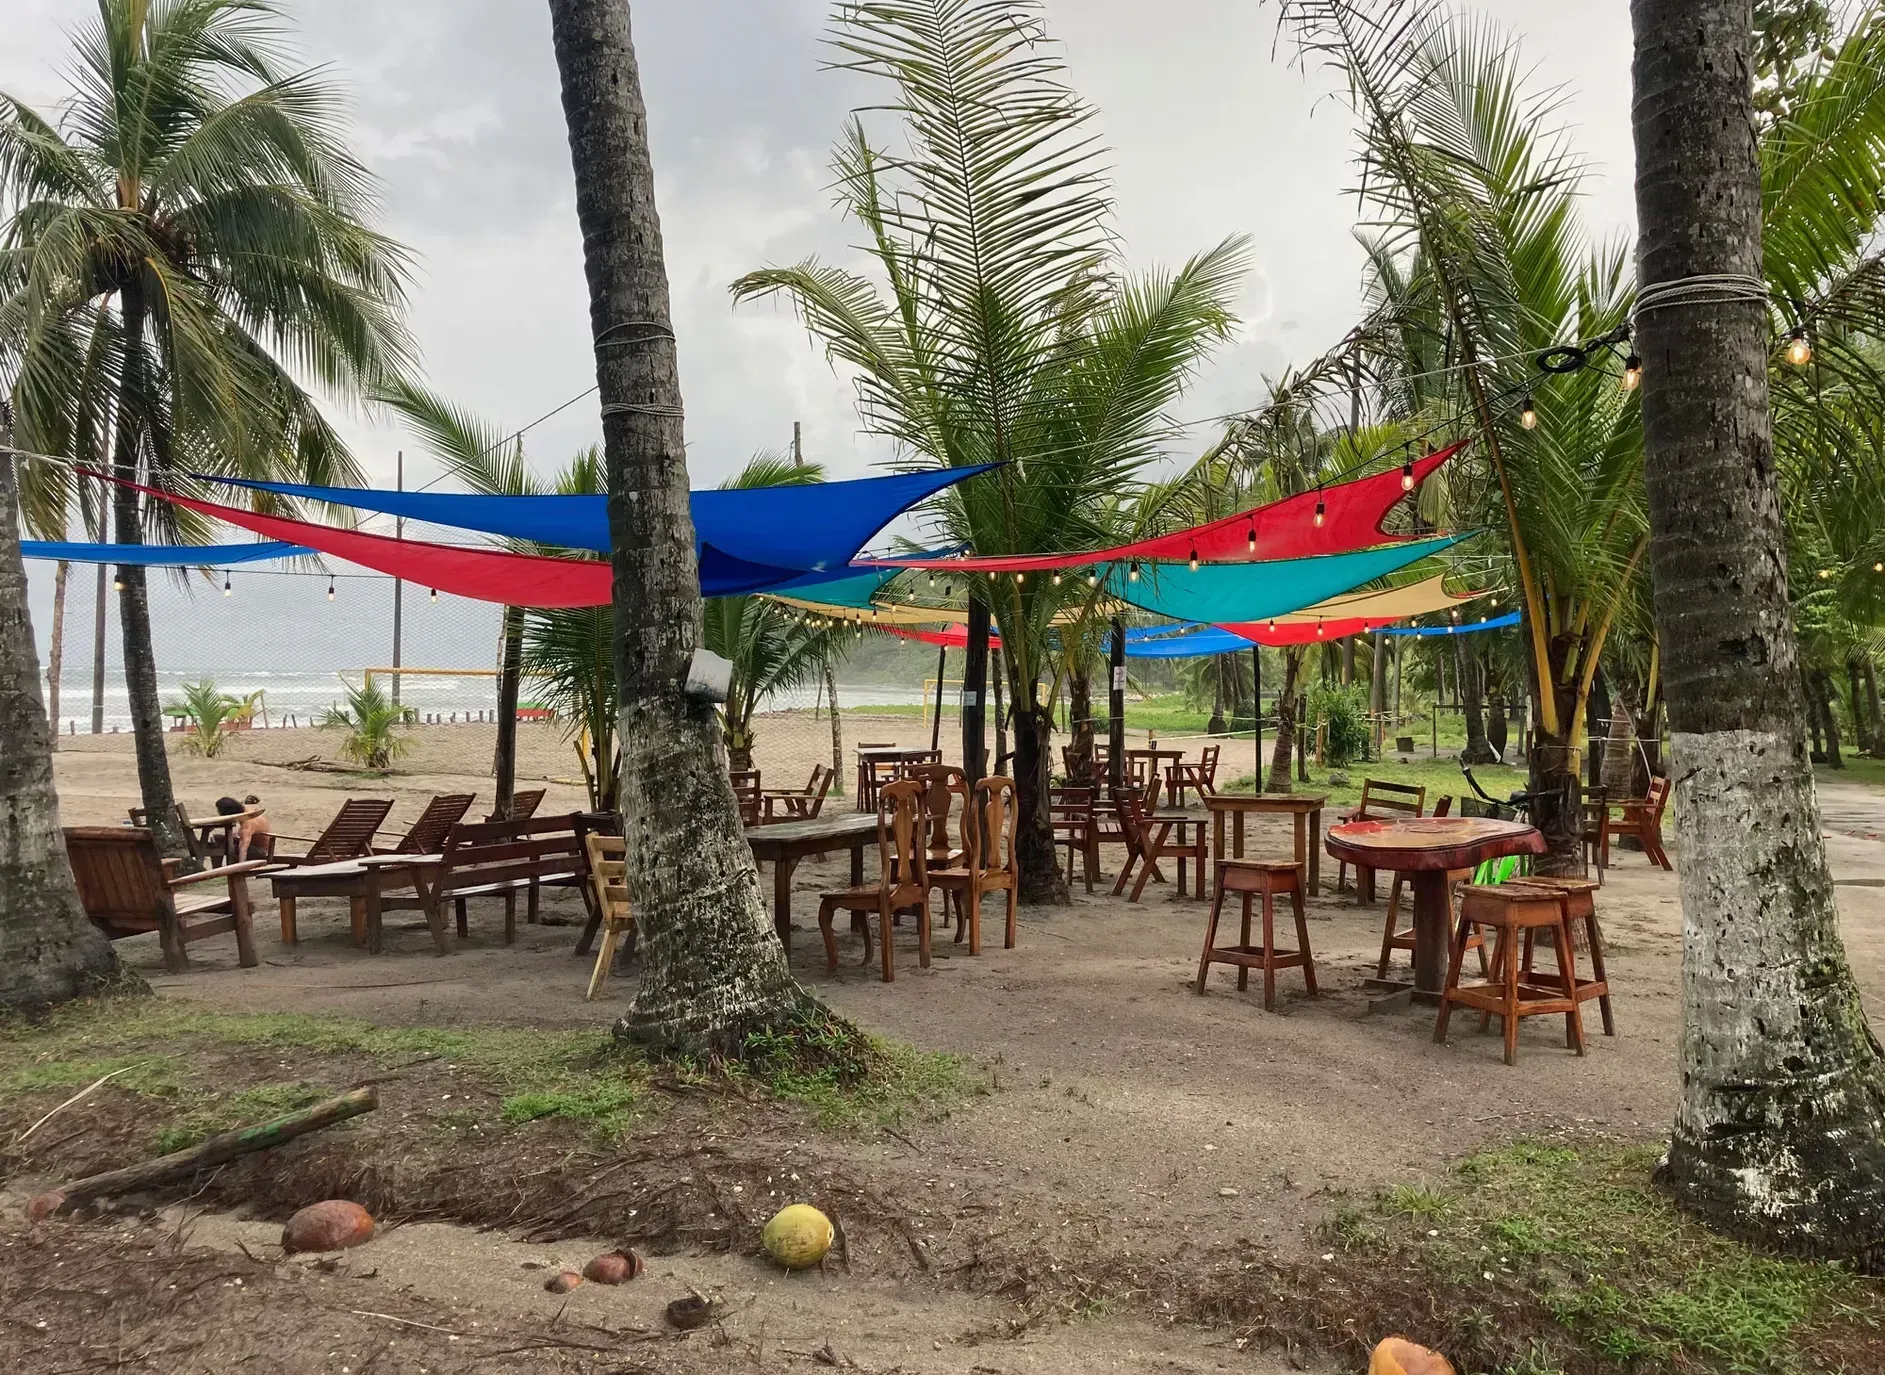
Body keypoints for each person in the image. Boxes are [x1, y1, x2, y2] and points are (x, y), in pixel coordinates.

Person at [211, 795, 273, 863]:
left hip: (260, 851)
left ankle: (226, 869)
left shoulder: (246, 826)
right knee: (217, 839)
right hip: (254, 843)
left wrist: (241, 867)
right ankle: (217, 868)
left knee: (228, 847)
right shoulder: (247, 811)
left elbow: (243, 850)